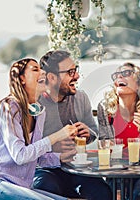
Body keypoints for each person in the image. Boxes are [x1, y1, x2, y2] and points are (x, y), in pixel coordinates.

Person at [0, 58, 77, 200]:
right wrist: (58, 135)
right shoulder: (8, 107)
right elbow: (21, 156)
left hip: (17, 187)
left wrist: (60, 158)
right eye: (35, 69)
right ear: (22, 79)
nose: (43, 72)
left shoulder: (38, 112)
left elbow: (34, 157)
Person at [32, 50, 112, 200]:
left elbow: (93, 131)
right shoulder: (35, 104)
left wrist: (88, 133)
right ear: (51, 77)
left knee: (102, 191)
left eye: (76, 70)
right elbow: (25, 148)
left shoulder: (80, 97)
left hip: (77, 167)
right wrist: (51, 147)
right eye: (70, 72)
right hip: (44, 169)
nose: (76, 76)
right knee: (46, 188)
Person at [97, 62, 140, 200]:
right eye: (116, 75)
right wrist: (104, 144)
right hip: (116, 171)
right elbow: (103, 143)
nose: (119, 77)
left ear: (139, 84)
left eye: (126, 73)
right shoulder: (105, 108)